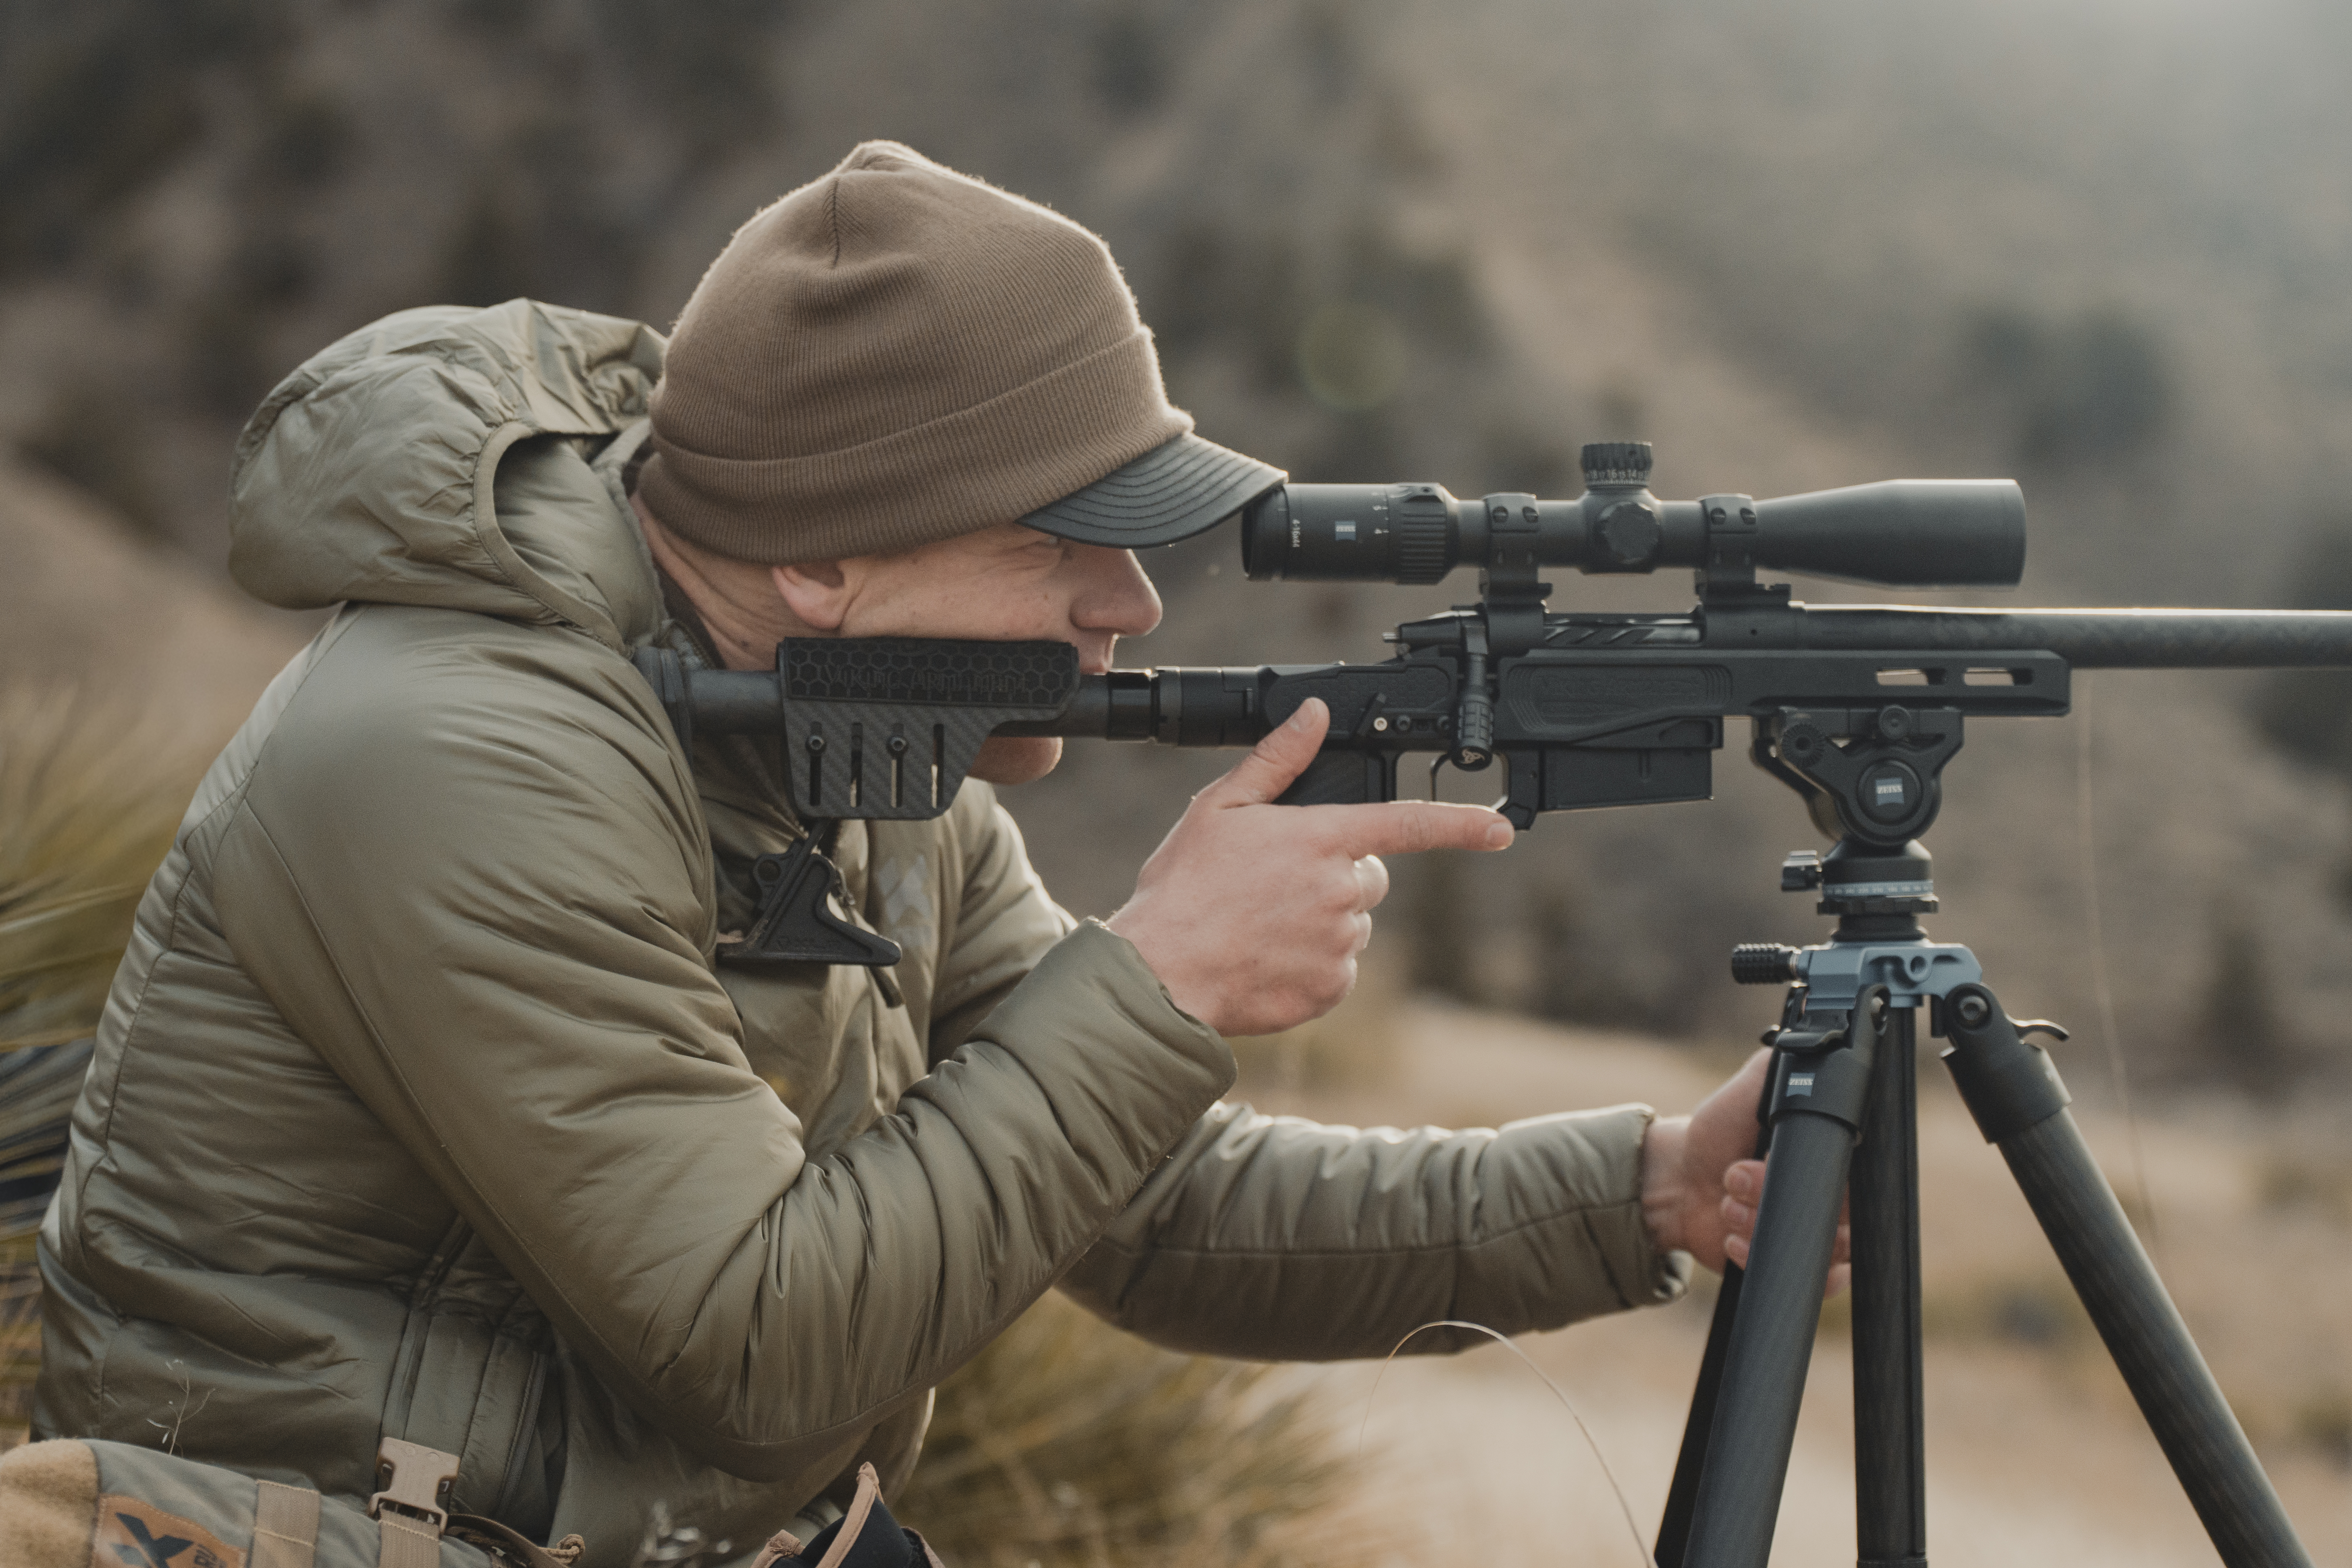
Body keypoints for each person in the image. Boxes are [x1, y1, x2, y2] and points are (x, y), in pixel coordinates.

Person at [33, 142, 1811, 1562]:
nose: (1129, 603)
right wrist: (1160, 982)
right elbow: (758, 1348)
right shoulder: (459, 754)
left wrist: (1645, 1188)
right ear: (823, 556)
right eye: (1064, 540)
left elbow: (1147, 1202)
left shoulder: (868, 748)